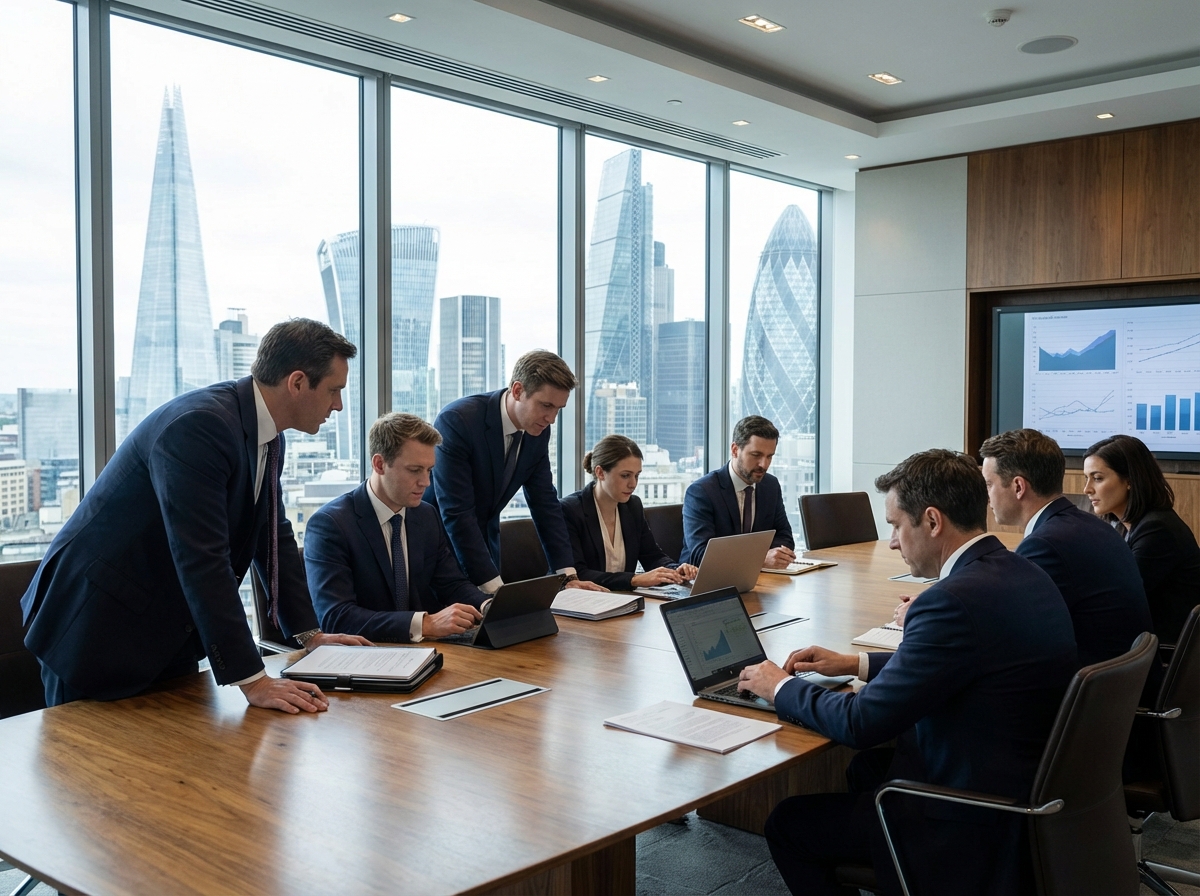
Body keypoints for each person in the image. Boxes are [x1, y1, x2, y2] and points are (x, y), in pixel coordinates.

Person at [738, 449, 1076, 896]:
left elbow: (861, 723)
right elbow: (959, 661)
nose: (893, 542)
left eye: (896, 526)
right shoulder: (1020, 569)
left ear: (932, 521)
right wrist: (856, 663)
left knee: (788, 823)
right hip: (1022, 781)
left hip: (968, 816)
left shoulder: (950, 601)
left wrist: (779, 686)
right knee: (866, 770)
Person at [21, 319, 370, 714]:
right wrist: (253, 680)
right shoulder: (201, 425)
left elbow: (273, 536)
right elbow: (203, 558)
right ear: (298, 383)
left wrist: (309, 635)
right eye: (334, 390)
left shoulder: (267, 436)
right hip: (95, 631)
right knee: (88, 754)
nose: (338, 406)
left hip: (165, 635)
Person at [972, 428, 1152, 667]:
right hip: (1124, 678)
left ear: (1018, 487)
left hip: (1092, 682)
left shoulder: (1045, 545)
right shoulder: (1094, 526)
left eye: (989, 484)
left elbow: (1013, 631)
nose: (987, 497)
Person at [427, 350, 603, 593]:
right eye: (546, 405)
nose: (551, 419)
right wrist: (495, 589)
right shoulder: (458, 420)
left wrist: (566, 575)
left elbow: (544, 503)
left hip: (485, 546)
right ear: (518, 390)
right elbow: (457, 512)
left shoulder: (537, 430)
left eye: (558, 409)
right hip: (439, 548)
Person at [305, 413, 487, 643]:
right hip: (366, 654)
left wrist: (487, 605)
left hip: (424, 651)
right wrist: (425, 624)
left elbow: (451, 583)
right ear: (379, 464)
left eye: (429, 470)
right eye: (415, 470)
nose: (426, 482)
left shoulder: (426, 515)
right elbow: (337, 617)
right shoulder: (331, 524)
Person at [1084, 434, 1200, 645]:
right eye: (1086, 478)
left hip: (1161, 652)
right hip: (1142, 644)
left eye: (1097, 478)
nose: (1087, 489)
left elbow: (1119, 599)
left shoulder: (1157, 529)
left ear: (1129, 480)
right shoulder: (1126, 527)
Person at [560, 435, 699, 591]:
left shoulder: (633, 506)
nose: (633, 484)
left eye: (637, 475)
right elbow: (577, 575)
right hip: (585, 601)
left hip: (625, 599)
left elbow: (652, 556)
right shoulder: (570, 510)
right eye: (625, 475)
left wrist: (676, 570)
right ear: (600, 472)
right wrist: (634, 579)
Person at [680, 415, 795, 568]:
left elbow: (785, 537)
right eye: (756, 455)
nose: (764, 464)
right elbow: (701, 554)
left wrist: (773, 557)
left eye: (769, 456)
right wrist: (759, 559)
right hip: (705, 579)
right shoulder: (702, 492)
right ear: (735, 450)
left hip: (759, 577)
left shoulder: (770, 486)